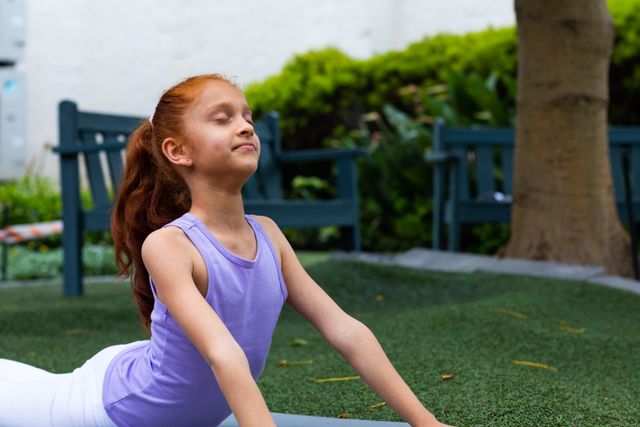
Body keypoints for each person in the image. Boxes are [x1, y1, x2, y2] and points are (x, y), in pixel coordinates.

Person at [0, 74, 453, 427]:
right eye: (222, 118)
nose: (245, 126)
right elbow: (224, 352)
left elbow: (346, 331)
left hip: (141, 366)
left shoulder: (270, 235)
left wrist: (425, 420)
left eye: (247, 117)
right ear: (178, 151)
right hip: (100, 405)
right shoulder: (170, 245)